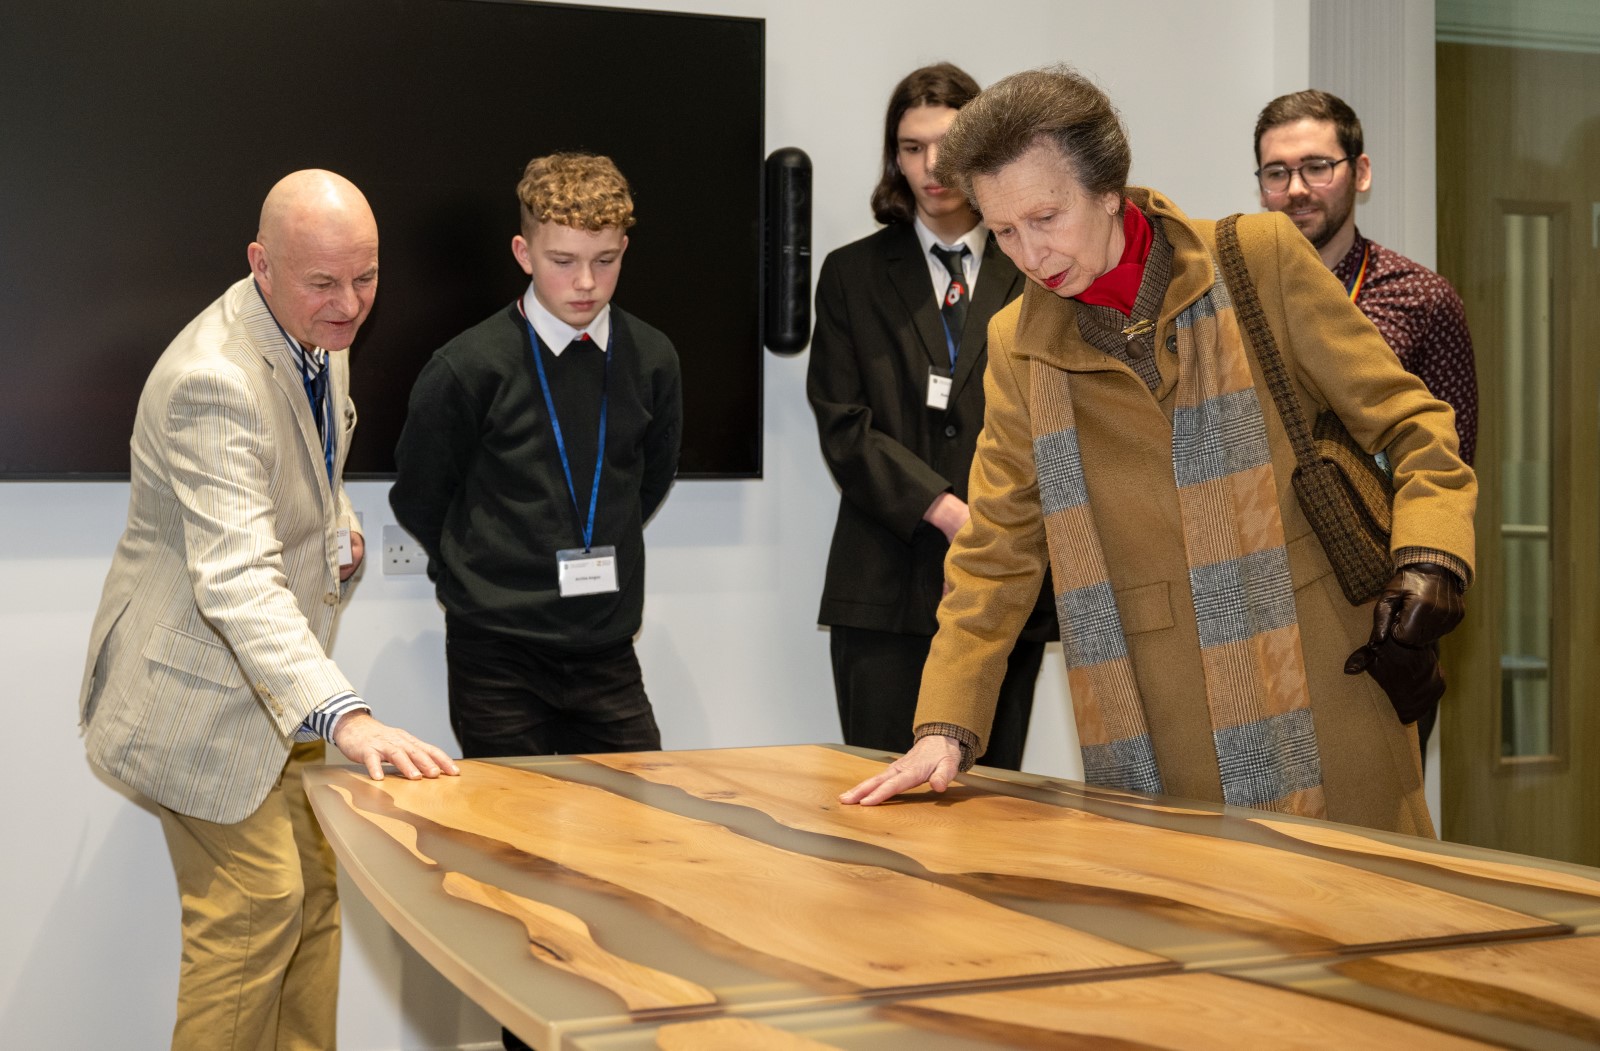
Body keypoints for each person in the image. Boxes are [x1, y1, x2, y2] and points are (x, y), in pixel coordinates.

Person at [841, 67, 1476, 837]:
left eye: (1047, 216)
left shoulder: (1259, 258)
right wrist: (945, 723)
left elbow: (1414, 422)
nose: (1030, 252)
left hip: (1322, 681)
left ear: (1109, 188)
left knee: (1376, 933)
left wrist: (1432, 556)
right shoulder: (1019, 346)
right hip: (1150, 715)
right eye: (1004, 230)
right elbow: (997, 550)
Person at [77, 169, 460, 1051]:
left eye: (365, 277)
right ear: (262, 264)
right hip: (197, 697)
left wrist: (337, 519)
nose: (351, 303)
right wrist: (348, 716)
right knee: (256, 906)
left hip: (271, 693)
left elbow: (297, 469)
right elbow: (238, 576)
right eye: (325, 282)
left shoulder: (313, 328)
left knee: (317, 893)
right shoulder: (214, 380)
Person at [391, 150, 680, 1051]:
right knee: (523, 885)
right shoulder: (467, 365)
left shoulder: (653, 358)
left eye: (605, 259)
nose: (585, 282)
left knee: (633, 869)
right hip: (498, 661)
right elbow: (419, 497)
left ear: (625, 249)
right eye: (563, 260)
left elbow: (650, 480)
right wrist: (479, 586)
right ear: (523, 251)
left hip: (605, 658)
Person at [807, 63, 1055, 770]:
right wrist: (945, 511)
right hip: (884, 583)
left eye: (947, 144)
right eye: (912, 148)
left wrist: (990, 525)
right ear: (894, 157)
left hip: (1006, 585)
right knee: (879, 812)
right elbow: (842, 422)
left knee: (994, 806)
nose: (932, 165)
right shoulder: (851, 273)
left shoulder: (1034, 264)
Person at [1255, 88, 1478, 760]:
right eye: (1277, 172)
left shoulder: (1421, 299)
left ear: (1362, 172)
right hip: (1266, 600)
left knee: (1379, 845)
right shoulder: (1229, 302)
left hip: (1380, 613)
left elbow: (1450, 459)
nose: (1297, 189)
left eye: (1317, 166)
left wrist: (1420, 597)